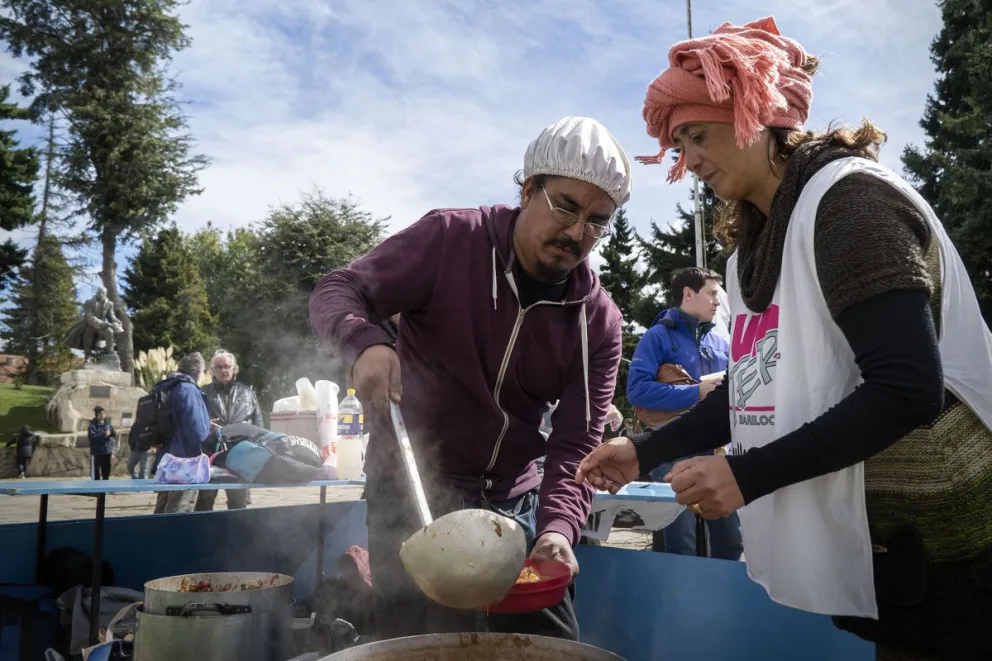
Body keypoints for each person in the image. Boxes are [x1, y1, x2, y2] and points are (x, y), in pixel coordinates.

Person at [575, 16, 992, 661]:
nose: (687, 162)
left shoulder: (850, 204)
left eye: (697, 135)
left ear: (757, 114)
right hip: (884, 551)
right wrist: (644, 448)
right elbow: (753, 386)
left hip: (949, 547)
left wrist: (747, 474)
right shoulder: (754, 251)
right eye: (679, 144)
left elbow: (908, 387)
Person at [309, 116, 630, 641]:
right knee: (418, 644)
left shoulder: (597, 321)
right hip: (411, 491)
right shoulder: (450, 240)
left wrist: (556, 529)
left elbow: (576, 444)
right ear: (529, 190)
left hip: (514, 506)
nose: (577, 233)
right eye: (566, 207)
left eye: (598, 220)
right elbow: (337, 290)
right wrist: (364, 342)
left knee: (545, 644)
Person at [626, 267, 741, 561]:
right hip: (672, 448)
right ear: (688, 294)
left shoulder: (721, 339)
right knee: (682, 543)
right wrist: (696, 393)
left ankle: (723, 603)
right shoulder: (657, 337)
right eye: (712, 293)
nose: (719, 301)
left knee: (730, 539)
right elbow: (637, 391)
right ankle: (684, 605)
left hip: (717, 447)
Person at [152, 352, 217, 514]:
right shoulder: (189, 389)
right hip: (186, 462)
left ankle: (154, 537)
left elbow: (176, 420)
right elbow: (197, 430)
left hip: (167, 460)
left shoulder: (169, 385)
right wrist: (208, 442)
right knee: (180, 506)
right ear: (198, 372)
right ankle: (175, 538)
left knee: (163, 505)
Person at [197, 349, 261, 511]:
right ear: (212, 371)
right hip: (210, 451)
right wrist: (205, 425)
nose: (223, 370)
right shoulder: (203, 392)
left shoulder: (248, 392)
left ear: (234, 368)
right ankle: (204, 534)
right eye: (218, 367)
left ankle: (237, 534)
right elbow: (194, 421)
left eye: (227, 366)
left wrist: (257, 448)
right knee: (205, 500)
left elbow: (258, 422)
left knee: (238, 501)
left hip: (240, 452)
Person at [87, 406, 116, 480]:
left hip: (107, 453)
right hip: (97, 453)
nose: (103, 415)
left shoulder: (108, 424)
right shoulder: (92, 426)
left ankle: (105, 490)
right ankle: (96, 490)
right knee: (95, 474)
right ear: (97, 415)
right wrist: (104, 434)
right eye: (101, 413)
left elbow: (113, 435)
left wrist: (111, 441)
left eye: (104, 413)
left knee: (106, 473)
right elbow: (92, 438)